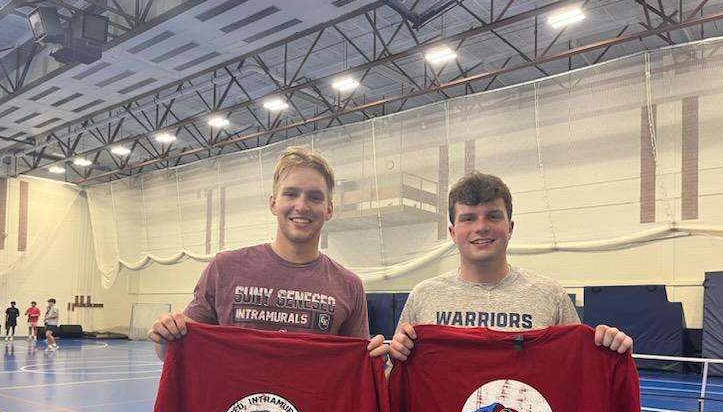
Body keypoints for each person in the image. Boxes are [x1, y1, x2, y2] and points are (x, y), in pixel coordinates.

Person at [148, 146, 387, 359]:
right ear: (273, 203)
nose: (302, 206)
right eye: (291, 194)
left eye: (314, 197)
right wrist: (165, 334)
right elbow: (176, 349)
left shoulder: (348, 285)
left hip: (311, 410)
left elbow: (355, 367)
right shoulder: (225, 269)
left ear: (329, 209)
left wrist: (377, 360)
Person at [389, 171, 632, 361]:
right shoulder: (424, 296)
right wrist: (398, 356)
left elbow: (579, 372)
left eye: (493, 216)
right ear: (453, 232)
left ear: (510, 227)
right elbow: (394, 381)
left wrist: (609, 351)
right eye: (468, 218)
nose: (481, 226)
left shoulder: (549, 295)